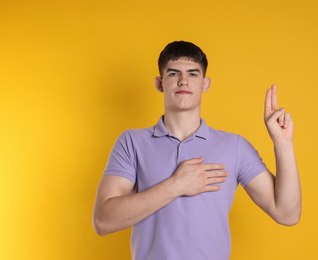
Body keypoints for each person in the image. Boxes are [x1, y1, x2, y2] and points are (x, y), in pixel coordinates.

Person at [93, 41, 301, 260]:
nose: (184, 80)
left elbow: (287, 213)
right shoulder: (131, 142)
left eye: (193, 74)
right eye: (174, 73)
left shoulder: (234, 147)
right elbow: (103, 220)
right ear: (159, 83)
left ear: (205, 83)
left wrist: (283, 144)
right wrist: (176, 185)